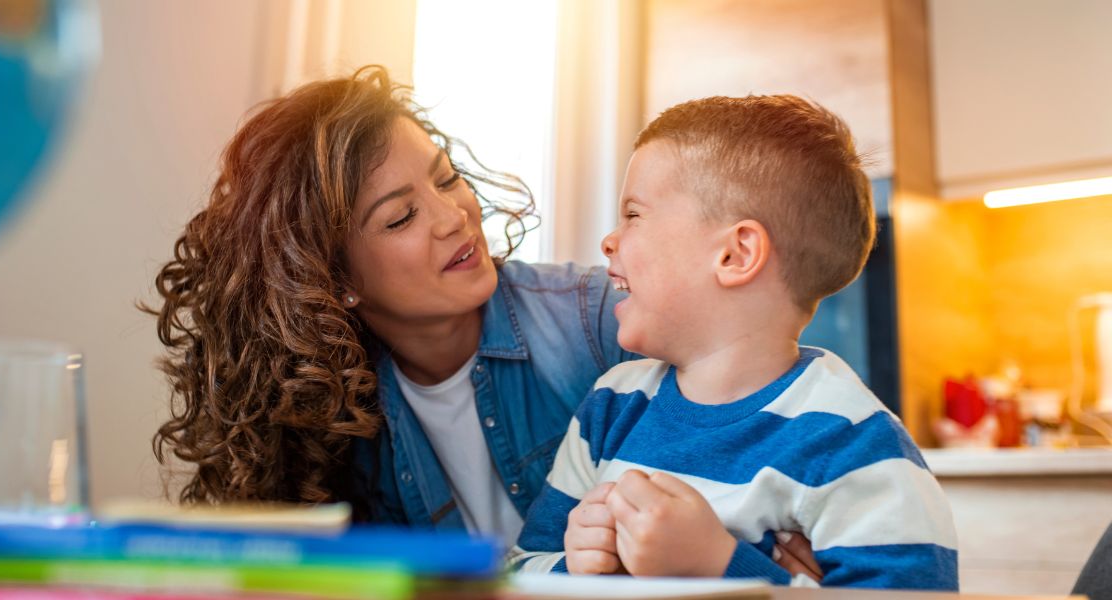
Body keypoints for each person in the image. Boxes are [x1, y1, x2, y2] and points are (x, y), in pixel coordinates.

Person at [143, 66, 821, 577]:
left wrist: (804, 564)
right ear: (336, 281)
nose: (453, 218)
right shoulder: (332, 417)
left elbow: (783, 429)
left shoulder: (598, 323)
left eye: (444, 179)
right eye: (401, 217)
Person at [509, 95, 959, 590]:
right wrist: (580, 568)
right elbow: (519, 571)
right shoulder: (613, 407)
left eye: (634, 215)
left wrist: (719, 563)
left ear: (735, 253)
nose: (609, 241)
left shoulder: (851, 442)